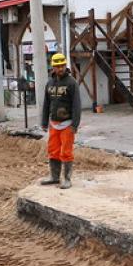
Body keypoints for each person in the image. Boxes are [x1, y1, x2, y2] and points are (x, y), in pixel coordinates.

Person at [40, 53, 81, 189]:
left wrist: (75, 124)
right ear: (53, 67)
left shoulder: (71, 83)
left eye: (62, 65)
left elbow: (76, 105)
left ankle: (67, 179)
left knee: (66, 152)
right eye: (57, 66)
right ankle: (54, 176)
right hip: (53, 124)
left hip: (67, 124)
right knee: (53, 150)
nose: (60, 68)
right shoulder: (49, 83)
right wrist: (44, 122)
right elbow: (46, 104)